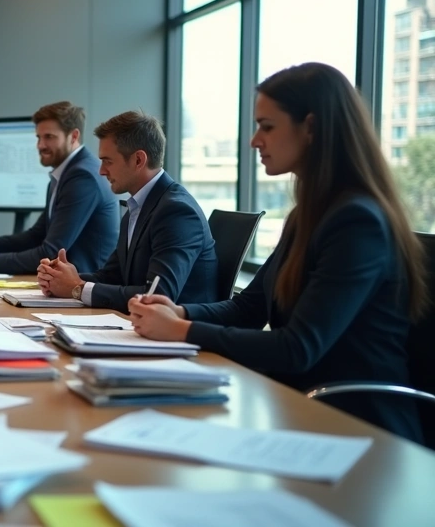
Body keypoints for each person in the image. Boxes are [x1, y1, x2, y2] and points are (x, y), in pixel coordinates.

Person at [128, 63, 428, 442]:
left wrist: (181, 331)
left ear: (311, 128)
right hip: (301, 409)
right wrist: (180, 312)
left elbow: (298, 348)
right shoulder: (308, 214)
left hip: (360, 427)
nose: (254, 141)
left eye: (267, 127)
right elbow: (248, 309)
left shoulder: (357, 221)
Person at [38, 110, 219, 313]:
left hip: (175, 330)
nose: (101, 171)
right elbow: (112, 276)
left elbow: (157, 296)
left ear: (139, 160)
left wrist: (77, 288)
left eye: (108, 161)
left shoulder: (177, 212)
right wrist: (61, 279)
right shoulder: (138, 205)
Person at [0, 102, 118, 274]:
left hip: (83, 284)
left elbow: (51, 252)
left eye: (49, 137)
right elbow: (37, 235)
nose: (40, 145)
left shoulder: (82, 177)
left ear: (73, 136)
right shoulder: (64, 175)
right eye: (38, 137)